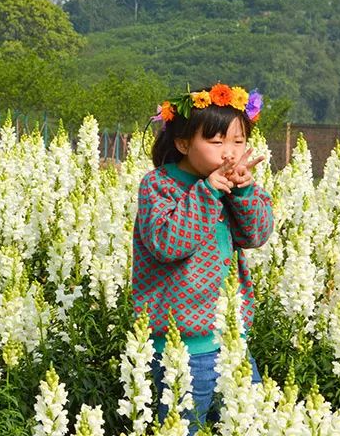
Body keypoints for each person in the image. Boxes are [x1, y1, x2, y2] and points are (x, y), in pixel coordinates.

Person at [132, 83, 274, 433]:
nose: (229, 152)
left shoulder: (230, 185)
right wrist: (208, 191)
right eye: (216, 142)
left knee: (249, 424)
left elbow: (256, 234)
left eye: (238, 142)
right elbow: (168, 244)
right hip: (181, 352)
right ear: (182, 143)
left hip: (232, 342)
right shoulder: (159, 185)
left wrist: (243, 190)